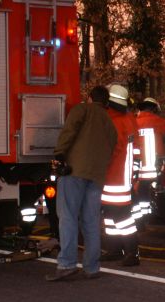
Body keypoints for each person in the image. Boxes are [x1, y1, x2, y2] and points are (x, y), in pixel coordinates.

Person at [48, 85, 117, 281]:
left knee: (68, 217)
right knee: (91, 221)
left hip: (74, 172)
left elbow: (69, 131)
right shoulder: (109, 123)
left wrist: (59, 153)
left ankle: (67, 265)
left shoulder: (82, 110)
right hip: (96, 176)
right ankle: (92, 268)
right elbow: (111, 148)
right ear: (106, 102)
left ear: (89, 98)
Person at [100, 84, 141, 266]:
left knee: (122, 217)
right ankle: (115, 249)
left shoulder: (114, 120)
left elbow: (111, 149)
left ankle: (132, 253)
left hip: (114, 175)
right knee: (110, 215)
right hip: (121, 175)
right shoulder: (128, 118)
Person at [134, 97, 165, 218]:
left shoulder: (134, 122)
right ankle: (156, 215)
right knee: (157, 189)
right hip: (155, 165)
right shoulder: (156, 121)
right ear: (154, 109)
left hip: (138, 164)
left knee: (141, 190)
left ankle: (142, 217)